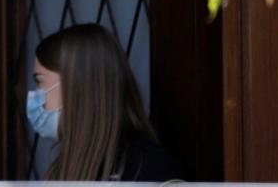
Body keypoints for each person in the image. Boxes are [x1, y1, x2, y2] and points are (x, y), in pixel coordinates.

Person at [27, 23, 186, 183]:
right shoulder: (65, 166)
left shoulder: (154, 170)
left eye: (40, 81)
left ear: (76, 87)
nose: (34, 94)